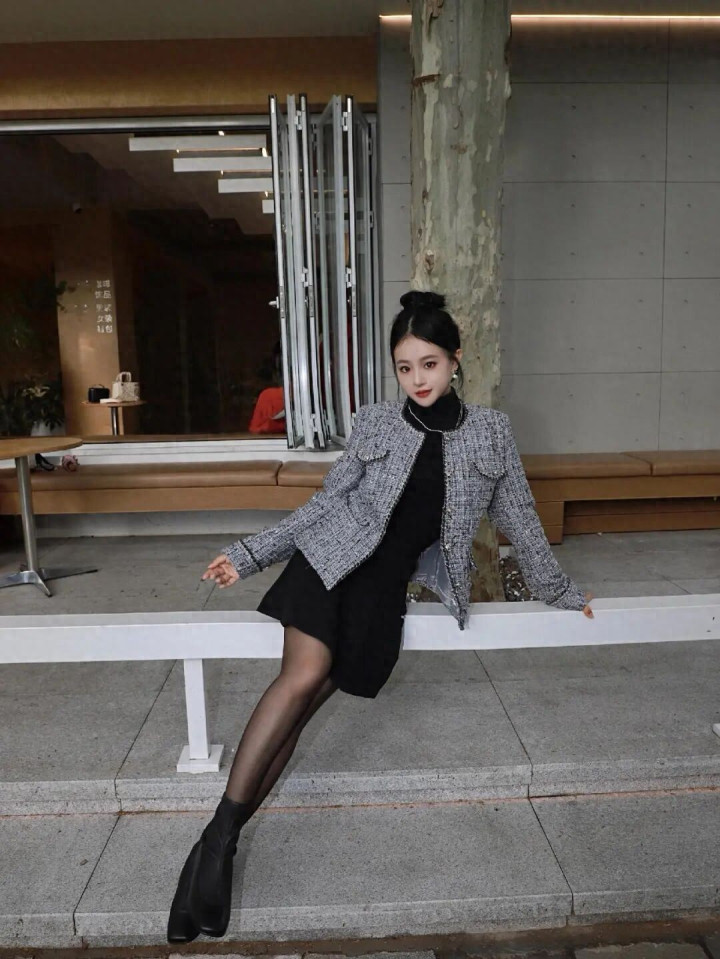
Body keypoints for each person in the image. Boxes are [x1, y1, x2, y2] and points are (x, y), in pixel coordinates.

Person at [166, 290, 594, 942]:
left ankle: (205, 854)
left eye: (429, 363)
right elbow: (325, 504)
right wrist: (250, 553)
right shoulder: (376, 422)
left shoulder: (491, 432)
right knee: (301, 680)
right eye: (404, 366)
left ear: (456, 359)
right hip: (329, 563)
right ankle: (220, 844)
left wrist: (560, 590)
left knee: (300, 714)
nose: (417, 379)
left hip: (380, 592)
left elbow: (521, 519)